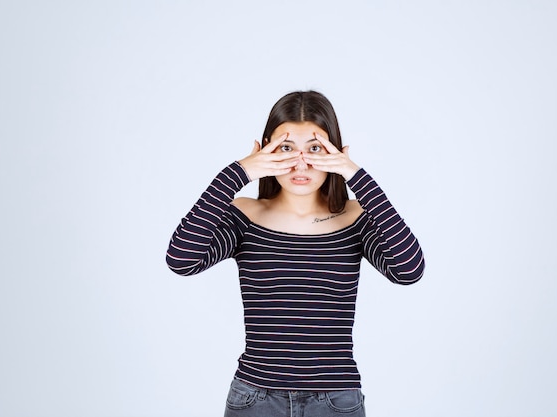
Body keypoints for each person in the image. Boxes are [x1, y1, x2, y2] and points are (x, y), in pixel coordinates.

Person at [166, 90, 425, 417]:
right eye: (286, 148)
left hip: (335, 401)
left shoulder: (355, 217)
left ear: (336, 153)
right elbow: (181, 259)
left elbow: (409, 270)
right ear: (264, 151)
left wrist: (357, 177)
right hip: (255, 399)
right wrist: (238, 172)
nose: (300, 163)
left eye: (315, 149)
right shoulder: (245, 216)